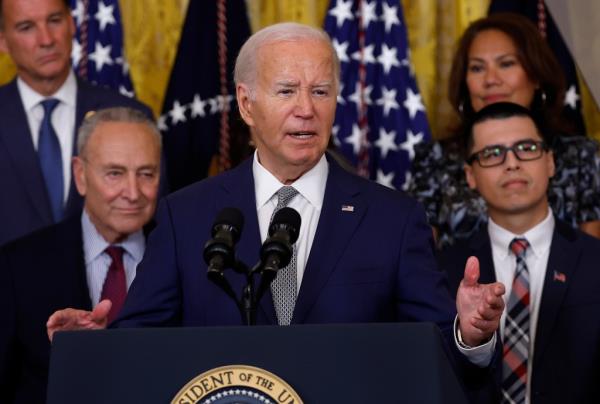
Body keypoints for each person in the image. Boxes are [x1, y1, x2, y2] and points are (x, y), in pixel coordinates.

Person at [47, 22, 505, 393]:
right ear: (247, 104)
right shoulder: (184, 216)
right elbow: (141, 349)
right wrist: (94, 349)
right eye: (287, 91)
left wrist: (470, 334)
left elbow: (438, 358)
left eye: (321, 92)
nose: (306, 109)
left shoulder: (393, 219)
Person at [439, 102, 600, 403]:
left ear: (550, 161)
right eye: (492, 154)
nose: (512, 163)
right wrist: (472, 339)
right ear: (470, 176)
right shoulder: (443, 269)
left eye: (526, 148)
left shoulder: (595, 261)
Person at [0, 107, 162, 404]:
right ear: (80, 175)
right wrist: (72, 353)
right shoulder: (18, 266)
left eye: (146, 174)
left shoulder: (186, 255)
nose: (133, 192)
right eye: (114, 173)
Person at [408, 13, 600, 248]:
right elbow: (420, 259)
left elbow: (592, 264)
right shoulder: (434, 159)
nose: (490, 79)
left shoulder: (581, 156)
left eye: (506, 64)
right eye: (477, 68)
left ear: (536, 75)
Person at [0, 0, 153, 246]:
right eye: (27, 27)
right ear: (3, 40)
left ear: (72, 23)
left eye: (55, 20)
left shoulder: (130, 115)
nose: (46, 39)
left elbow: (155, 228)